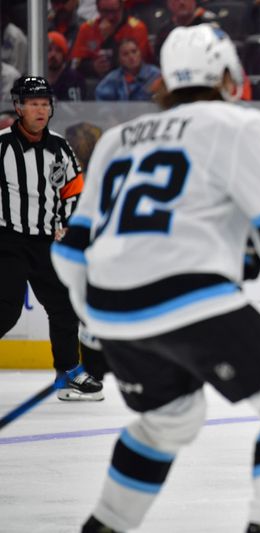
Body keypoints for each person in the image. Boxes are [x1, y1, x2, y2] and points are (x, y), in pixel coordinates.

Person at [51, 24, 260, 532]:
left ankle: (103, 527)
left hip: (110, 308)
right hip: (189, 294)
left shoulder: (114, 139)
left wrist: (95, 330)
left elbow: (70, 254)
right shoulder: (236, 124)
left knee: (167, 418)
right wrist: (250, 242)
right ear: (225, 73)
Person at [0, 76, 103, 401]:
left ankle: (69, 372)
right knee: (7, 309)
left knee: (63, 306)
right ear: (19, 107)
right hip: (7, 240)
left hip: (45, 240)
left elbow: (74, 189)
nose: (40, 109)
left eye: (45, 103)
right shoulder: (1, 146)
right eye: (33, 103)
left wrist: (69, 223)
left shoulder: (59, 147)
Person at [70, 0, 153, 79]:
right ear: (98, 9)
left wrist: (109, 38)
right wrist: (93, 67)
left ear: (121, 7)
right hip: (95, 81)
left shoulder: (137, 28)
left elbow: (137, 64)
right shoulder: (87, 28)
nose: (110, 17)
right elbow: (76, 65)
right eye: (105, 11)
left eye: (114, 11)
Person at [95, 37, 160, 101]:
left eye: (134, 51)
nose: (131, 57)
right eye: (125, 54)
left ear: (140, 53)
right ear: (119, 59)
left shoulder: (155, 75)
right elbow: (103, 105)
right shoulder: (113, 79)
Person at [154, 0, 218, 61]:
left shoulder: (209, 27)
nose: (182, 2)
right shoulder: (164, 33)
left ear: (194, 1)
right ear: (169, 4)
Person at [48, 31, 87, 102]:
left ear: (64, 55)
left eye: (58, 50)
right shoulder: (34, 77)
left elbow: (75, 110)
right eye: (49, 50)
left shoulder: (74, 79)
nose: (53, 54)